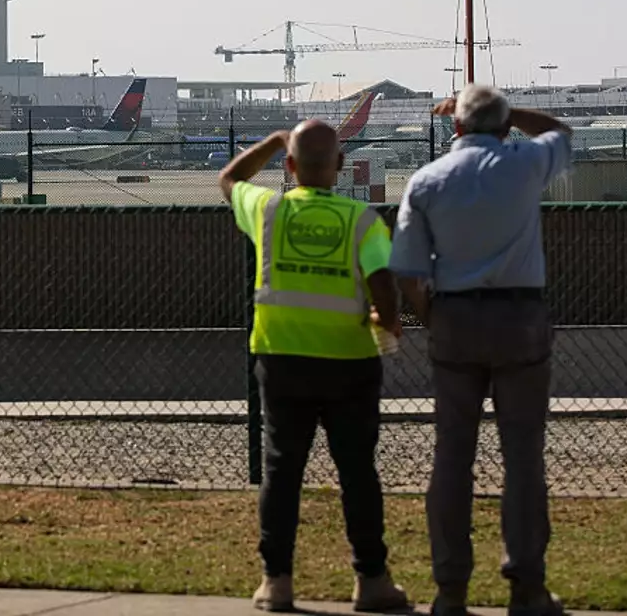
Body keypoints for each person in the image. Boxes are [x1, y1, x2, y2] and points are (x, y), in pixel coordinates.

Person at [389, 83, 572, 616]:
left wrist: (433, 316)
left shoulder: (426, 181)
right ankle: (527, 587)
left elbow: (408, 270)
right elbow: (561, 132)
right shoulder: (525, 164)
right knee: (523, 457)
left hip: (455, 318)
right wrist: (514, 112)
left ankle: (450, 590)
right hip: (520, 317)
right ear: (507, 125)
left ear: (456, 128)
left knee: (451, 457)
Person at [220, 119, 410, 614]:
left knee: (281, 472)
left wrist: (270, 142)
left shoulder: (267, 210)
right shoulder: (362, 219)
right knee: (357, 474)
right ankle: (371, 581)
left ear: (289, 166)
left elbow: (229, 180)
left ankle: (276, 582)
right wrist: (386, 323)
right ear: (341, 166)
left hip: (281, 357)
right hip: (350, 361)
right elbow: (385, 285)